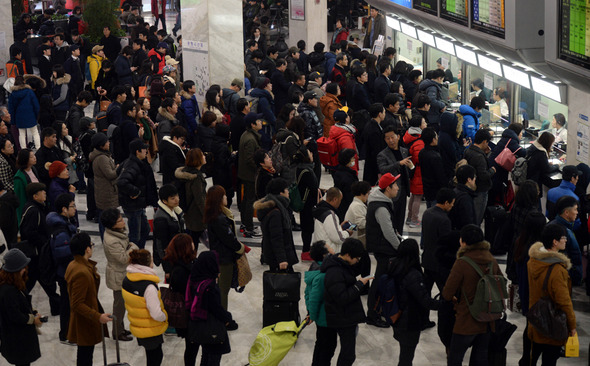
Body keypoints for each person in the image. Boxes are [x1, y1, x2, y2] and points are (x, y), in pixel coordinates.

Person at [442, 224, 505, 366]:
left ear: (463, 242)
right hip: (488, 319)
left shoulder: (462, 263)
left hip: (467, 319)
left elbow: (447, 293)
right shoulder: (492, 260)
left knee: (455, 358)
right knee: (480, 358)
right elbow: (501, 284)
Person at [526, 224, 576, 365]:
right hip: (552, 325)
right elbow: (563, 301)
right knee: (549, 361)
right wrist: (572, 325)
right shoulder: (557, 270)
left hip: (535, 321)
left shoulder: (533, 261)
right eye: (563, 238)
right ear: (555, 242)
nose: (565, 240)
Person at [390, 239, 443, 366]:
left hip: (396, 317)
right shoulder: (413, 274)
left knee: (404, 353)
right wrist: (444, 304)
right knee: (406, 358)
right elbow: (425, 301)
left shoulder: (393, 266)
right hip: (409, 322)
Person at [318, 238, 370, 365]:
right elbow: (342, 298)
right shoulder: (335, 272)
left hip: (345, 315)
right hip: (341, 317)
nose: (357, 261)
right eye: (356, 258)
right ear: (347, 255)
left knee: (347, 354)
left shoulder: (342, 264)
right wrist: (359, 285)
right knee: (348, 355)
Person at [65, 232, 113, 365]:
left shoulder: (74, 264)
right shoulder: (82, 272)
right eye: (91, 245)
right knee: (85, 357)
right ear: (87, 249)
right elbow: (77, 303)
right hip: (85, 320)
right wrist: (98, 316)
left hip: (84, 318)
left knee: (85, 354)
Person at [185, 251, 235, 365]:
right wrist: (228, 319)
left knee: (206, 353)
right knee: (213, 357)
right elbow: (216, 308)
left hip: (198, 325)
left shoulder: (194, 279)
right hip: (212, 327)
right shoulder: (209, 286)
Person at [365, 173, 402, 328]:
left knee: (381, 280)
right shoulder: (381, 207)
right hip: (383, 249)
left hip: (381, 247)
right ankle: (373, 315)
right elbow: (388, 232)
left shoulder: (382, 202)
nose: (398, 188)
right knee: (380, 282)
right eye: (395, 185)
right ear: (388, 188)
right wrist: (400, 248)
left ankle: (377, 311)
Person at [122, 249, 168, 366]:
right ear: (146, 264)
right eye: (151, 261)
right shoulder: (149, 286)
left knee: (151, 356)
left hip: (138, 325)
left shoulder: (128, 279)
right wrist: (165, 316)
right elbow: (156, 313)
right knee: (156, 357)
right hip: (150, 328)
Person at [204, 185, 245, 311]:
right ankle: (223, 319)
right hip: (223, 258)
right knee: (223, 289)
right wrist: (240, 248)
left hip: (220, 255)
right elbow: (228, 238)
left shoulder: (216, 215)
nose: (226, 197)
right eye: (224, 196)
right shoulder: (219, 218)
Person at [100, 208, 138, 342]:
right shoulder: (112, 240)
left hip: (123, 273)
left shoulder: (117, 233)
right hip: (118, 276)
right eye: (119, 220)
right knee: (119, 306)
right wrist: (133, 247)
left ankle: (120, 328)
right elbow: (123, 258)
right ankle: (117, 332)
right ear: (112, 225)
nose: (123, 221)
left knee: (123, 304)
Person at [0, 248, 42, 366]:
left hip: (18, 341)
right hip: (18, 342)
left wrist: (33, 312)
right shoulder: (8, 291)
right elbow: (15, 315)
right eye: (23, 267)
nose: (25, 269)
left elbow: (22, 304)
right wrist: (33, 319)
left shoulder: (13, 284)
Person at [117, 139, 159, 249]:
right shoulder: (132, 164)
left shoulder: (138, 163)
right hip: (133, 205)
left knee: (144, 229)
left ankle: (139, 251)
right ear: (137, 152)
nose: (146, 151)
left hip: (138, 204)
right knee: (135, 234)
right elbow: (121, 182)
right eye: (144, 149)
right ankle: (135, 256)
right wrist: (136, 192)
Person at [421, 188, 455, 306]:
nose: (452, 206)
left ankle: (424, 320)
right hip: (440, 264)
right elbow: (446, 244)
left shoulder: (427, 213)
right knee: (445, 293)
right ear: (446, 203)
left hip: (427, 259)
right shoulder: (444, 220)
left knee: (425, 293)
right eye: (452, 203)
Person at [255, 178, 298, 271]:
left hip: (277, 256)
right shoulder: (276, 212)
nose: (288, 192)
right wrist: (282, 259)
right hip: (279, 259)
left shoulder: (277, 207)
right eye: (286, 189)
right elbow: (276, 237)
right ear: (281, 192)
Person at [163, 233, 197, 341]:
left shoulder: (182, 265)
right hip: (187, 315)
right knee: (191, 346)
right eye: (191, 243)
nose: (193, 244)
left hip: (188, 314)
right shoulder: (181, 270)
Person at [175, 148, 208, 245]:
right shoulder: (196, 177)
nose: (204, 157)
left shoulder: (186, 173)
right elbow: (199, 199)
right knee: (194, 241)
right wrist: (207, 215)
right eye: (202, 155)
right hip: (196, 214)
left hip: (188, 211)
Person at [549, 196, 583, 285]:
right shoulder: (563, 232)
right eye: (575, 209)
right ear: (566, 212)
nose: (577, 212)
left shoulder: (553, 225)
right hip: (565, 279)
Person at [238, 113, 262, 238]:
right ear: (252, 124)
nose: (260, 122)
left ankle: (245, 224)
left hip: (246, 173)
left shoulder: (248, 135)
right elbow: (249, 159)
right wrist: (260, 167)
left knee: (247, 199)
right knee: (249, 201)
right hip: (249, 175)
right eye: (258, 120)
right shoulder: (250, 139)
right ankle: (248, 227)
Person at [464, 129, 495, 225]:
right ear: (484, 141)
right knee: (477, 217)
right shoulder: (479, 157)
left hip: (471, 188)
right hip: (480, 190)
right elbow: (483, 175)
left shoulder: (468, 150)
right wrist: (492, 170)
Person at [153, 184, 185, 272]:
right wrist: (167, 267)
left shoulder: (175, 210)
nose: (177, 199)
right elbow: (161, 244)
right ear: (164, 201)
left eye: (177, 196)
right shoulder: (161, 218)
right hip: (171, 257)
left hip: (178, 252)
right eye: (172, 198)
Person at [312, 187, 352, 254]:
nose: (340, 203)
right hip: (329, 253)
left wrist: (339, 227)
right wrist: (347, 232)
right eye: (340, 200)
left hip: (320, 250)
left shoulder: (320, 209)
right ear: (335, 199)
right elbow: (338, 238)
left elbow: (326, 229)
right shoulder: (330, 214)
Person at [403, 114, 427, 227]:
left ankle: (409, 217)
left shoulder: (410, 135)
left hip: (412, 170)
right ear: (419, 126)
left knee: (414, 196)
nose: (425, 124)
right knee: (417, 196)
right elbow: (419, 157)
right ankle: (414, 219)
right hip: (417, 171)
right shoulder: (418, 140)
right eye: (423, 122)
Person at [8, 76, 40, 150]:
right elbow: (36, 105)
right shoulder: (29, 91)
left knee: (21, 134)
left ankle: (24, 150)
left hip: (19, 117)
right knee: (35, 132)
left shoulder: (13, 94)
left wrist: (13, 120)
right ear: (24, 81)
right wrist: (37, 115)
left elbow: (11, 108)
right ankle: (38, 148)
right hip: (30, 115)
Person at [419, 127, 447, 208]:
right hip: (436, 191)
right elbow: (440, 176)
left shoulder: (422, 152)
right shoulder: (435, 156)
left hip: (427, 188)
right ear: (433, 140)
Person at [362, 103, 389, 185]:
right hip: (373, 166)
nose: (385, 114)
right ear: (379, 114)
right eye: (384, 112)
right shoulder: (373, 130)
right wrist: (379, 170)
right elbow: (376, 151)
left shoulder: (372, 125)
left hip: (371, 163)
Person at [526, 132, 557, 201]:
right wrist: (556, 166)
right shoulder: (541, 153)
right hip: (534, 182)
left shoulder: (534, 147)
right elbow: (547, 169)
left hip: (528, 178)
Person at [332, 149, 358, 220]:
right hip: (347, 207)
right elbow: (350, 195)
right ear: (347, 160)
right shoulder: (347, 177)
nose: (354, 160)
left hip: (341, 206)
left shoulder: (338, 172)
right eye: (352, 158)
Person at [449, 164, 477, 230]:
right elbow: (468, 221)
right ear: (469, 179)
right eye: (474, 177)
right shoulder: (465, 198)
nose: (475, 179)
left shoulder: (455, 191)